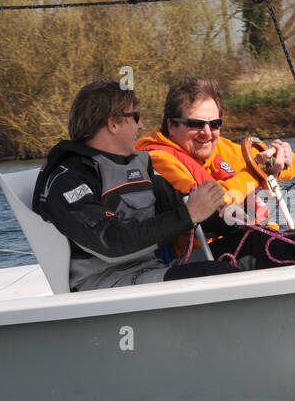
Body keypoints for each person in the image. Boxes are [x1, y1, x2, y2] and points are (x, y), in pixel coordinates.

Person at [32, 77, 236, 290]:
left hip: (150, 271)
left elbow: (180, 206)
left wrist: (233, 217)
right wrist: (189, 214)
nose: (141, 125)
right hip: (110, 286)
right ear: (113, 123)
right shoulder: (69, 180)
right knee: (218, 275)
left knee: (253, 245)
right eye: (135, 117)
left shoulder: (138, 167)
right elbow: (111, 242)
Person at [137, 75, 295, 265]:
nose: (207, 133)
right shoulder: (158, 159)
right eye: (196, 124)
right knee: (281, 246)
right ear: (171, 126)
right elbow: (208, 207)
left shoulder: (220, 147)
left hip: (249, 238)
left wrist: (280, 160)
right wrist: (254, 174)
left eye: (215, 124)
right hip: (200, 257)